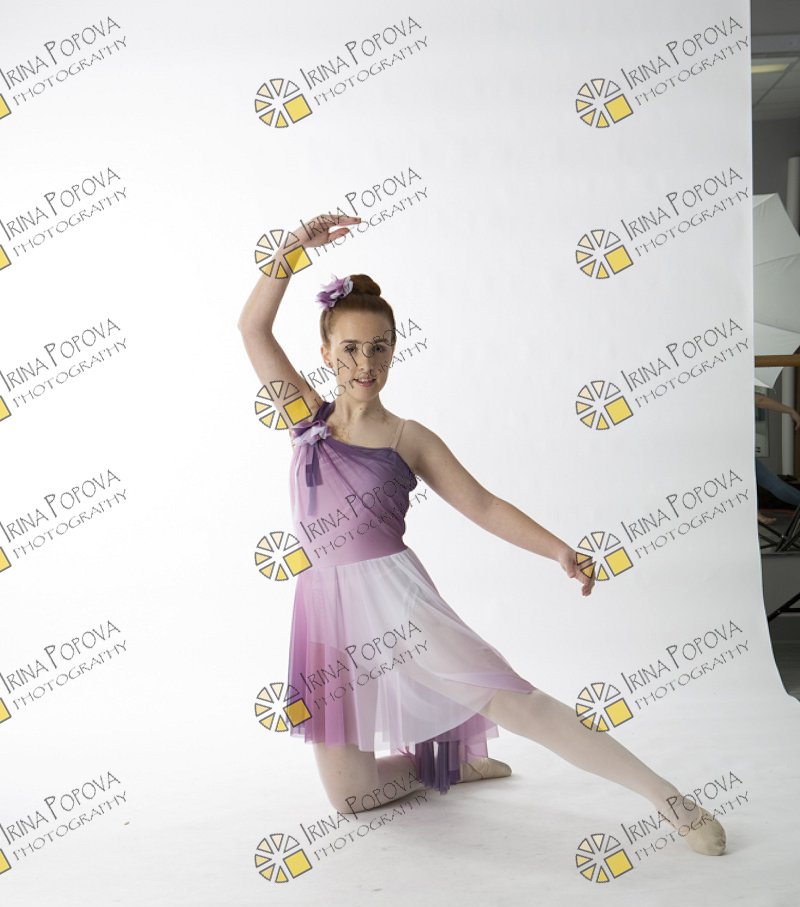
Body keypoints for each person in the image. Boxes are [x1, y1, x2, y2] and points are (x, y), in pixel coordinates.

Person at [238, 212, 725, 856]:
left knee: (516, 703)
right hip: (324, 610)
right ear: (326, 353)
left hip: (395, 601)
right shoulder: (306, 419)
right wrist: (292, 250)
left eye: (379, 347)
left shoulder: (409, 438)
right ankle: (450, 764)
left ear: (394, 350)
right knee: (352, 800)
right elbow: (252, 327)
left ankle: (670, 800)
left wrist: (559, 550)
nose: (365, 362)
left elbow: (485, 505)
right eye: (350, 348)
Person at [753, 388, 800, 524]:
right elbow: (760, 400)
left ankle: (755, 513)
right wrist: (791, 411)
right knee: (775, 484)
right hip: (736, 452)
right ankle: (754, 513)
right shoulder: (731, 390)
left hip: (724, 452)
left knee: (773, 484)